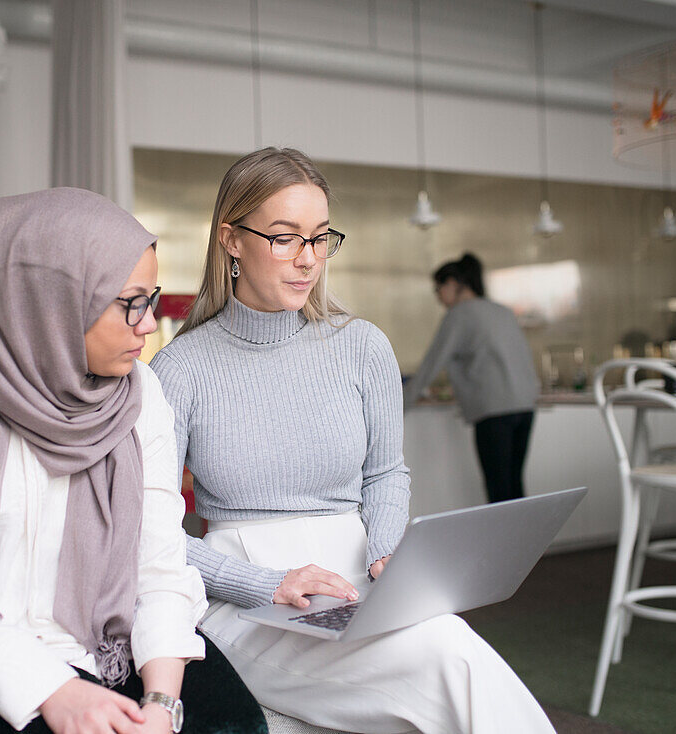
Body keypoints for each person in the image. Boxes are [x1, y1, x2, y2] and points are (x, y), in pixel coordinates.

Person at [149, 148, 555, 734]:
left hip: (357, 584)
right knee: (452, 665)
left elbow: (386, 474)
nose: (307, 259)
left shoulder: (362, 346)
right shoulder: (180, 369)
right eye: (285, 237)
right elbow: (149, 531)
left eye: (319, 238)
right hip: (243, 601)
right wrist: (266, 583)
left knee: (450, 647)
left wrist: (389, 555)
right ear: (231, 239)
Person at [0, 188, 267, 734]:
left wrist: (161, 704)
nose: (149, 325)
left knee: (239, 727)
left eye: (150, 299)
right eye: (130, 302)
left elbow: (159, 564)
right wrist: (54, 691)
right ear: (47, 303)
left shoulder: (140, 394)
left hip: (111, 641)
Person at [406, 253, 540, 504]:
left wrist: (399, 404)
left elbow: (431, 366)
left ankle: (503, 544)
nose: (438, 296)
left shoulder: (459, 315)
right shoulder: (502, 311)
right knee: (514, 485)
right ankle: (523, 543)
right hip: (525, 406)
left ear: (455, 283)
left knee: (498, 489)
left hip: (494, 411)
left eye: (439, 288)